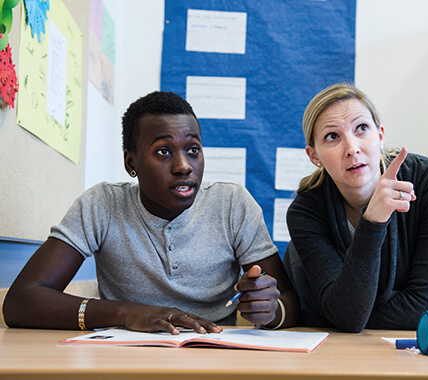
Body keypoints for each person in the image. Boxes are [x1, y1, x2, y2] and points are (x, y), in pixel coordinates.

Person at [3, 91, 299, 334]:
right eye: (163, 152)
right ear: (131, 163)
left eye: (193, 149)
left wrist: (272, 310)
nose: (184, 166)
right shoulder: (101, 205)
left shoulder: (232, 204)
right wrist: (127, 313)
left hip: (213, 355)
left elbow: (291, 303)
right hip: (126, 357)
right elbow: (20, 301)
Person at [283, 83, 428, 333]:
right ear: (314, 156)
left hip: (420, 348)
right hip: (339, 351)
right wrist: (373, 221)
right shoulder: (305, 211)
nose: (352, 149)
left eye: (361, 128)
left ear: (381, 135)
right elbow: (347, 317)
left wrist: (333, 312)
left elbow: (423, 310)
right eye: (332, 136)